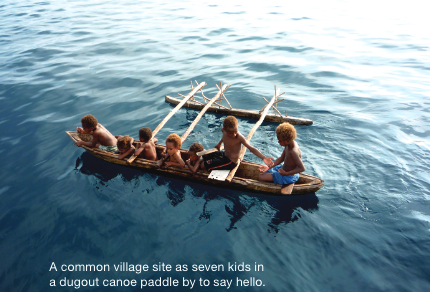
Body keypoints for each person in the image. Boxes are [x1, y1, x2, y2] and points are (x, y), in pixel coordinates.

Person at [202, 116, 273, 171]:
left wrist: (264, 158)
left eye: (236, 131)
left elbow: (252, 148)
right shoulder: (223, 131)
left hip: (230, 162)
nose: (234, 135)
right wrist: (219, 143)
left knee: (203, 165)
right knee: (205, 155)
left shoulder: (239, 138)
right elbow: (223, 137)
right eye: (231, 133)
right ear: (225, 130)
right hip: (224, 154)